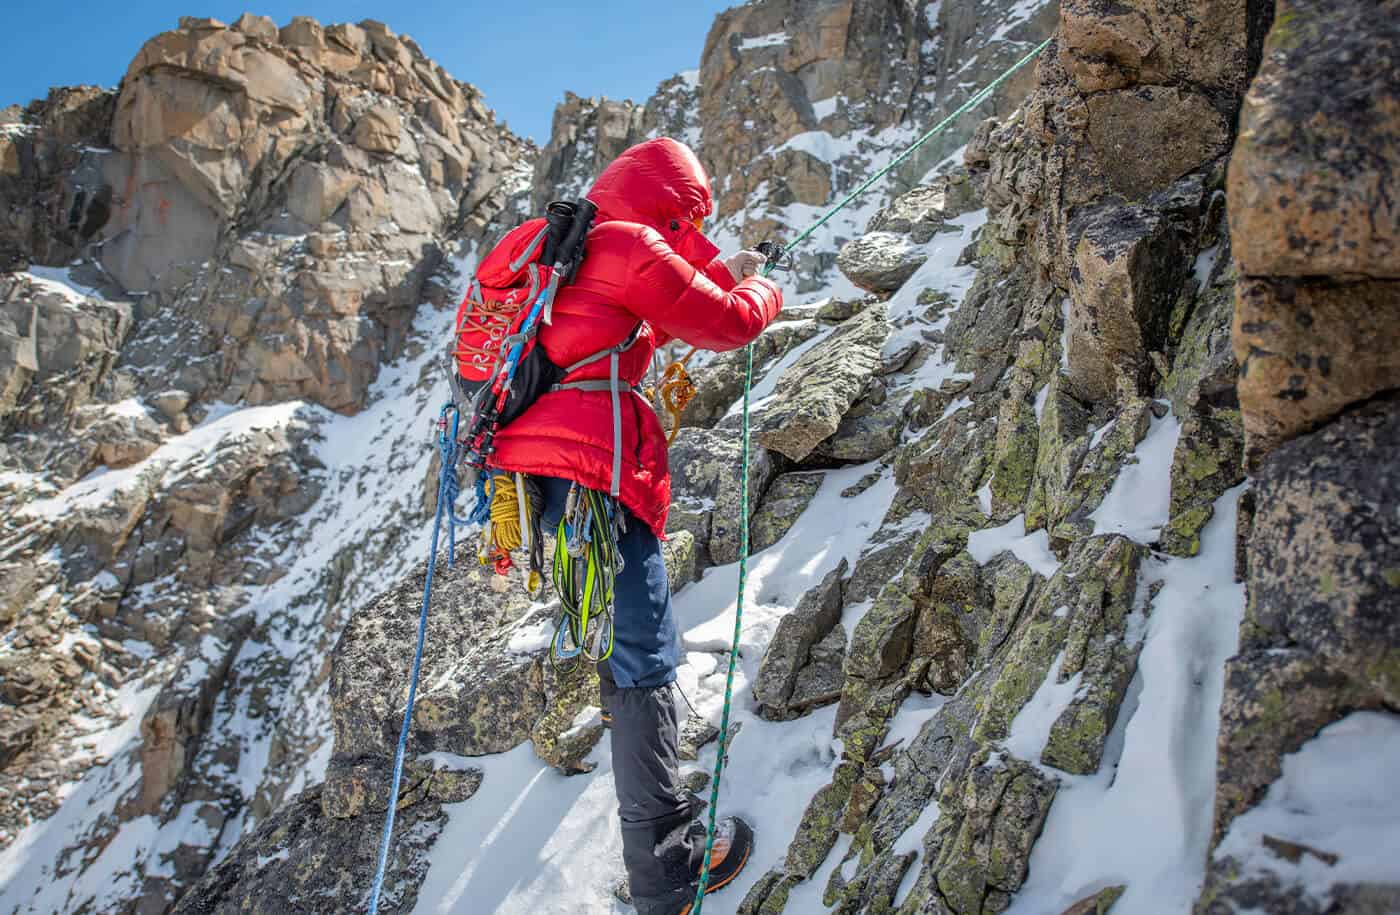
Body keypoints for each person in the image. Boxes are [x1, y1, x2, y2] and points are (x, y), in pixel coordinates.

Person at [487, 137, 783, 914]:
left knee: (627, 637)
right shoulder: (627, 243)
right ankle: (669, 868)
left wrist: (727, 273)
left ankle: (662, 843)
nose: (691, 230)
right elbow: (721, 324)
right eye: (687, 217)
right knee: (644, 649)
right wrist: (765, 293)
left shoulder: (560, 240)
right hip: (597, 473)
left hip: (534, 472)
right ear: (666, 204)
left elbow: (648, 308)